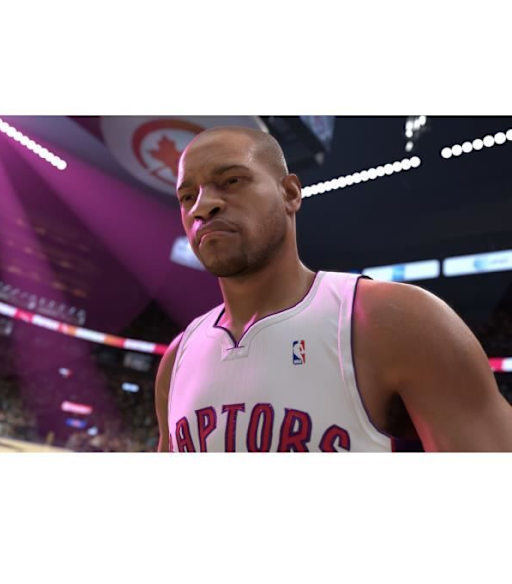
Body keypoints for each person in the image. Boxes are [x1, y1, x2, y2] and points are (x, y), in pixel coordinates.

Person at [154, 126, 512, 452]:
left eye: (231, 181)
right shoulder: (177, 359)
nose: (202, 207)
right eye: (187, 196)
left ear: (290, 193)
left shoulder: (396, 320)